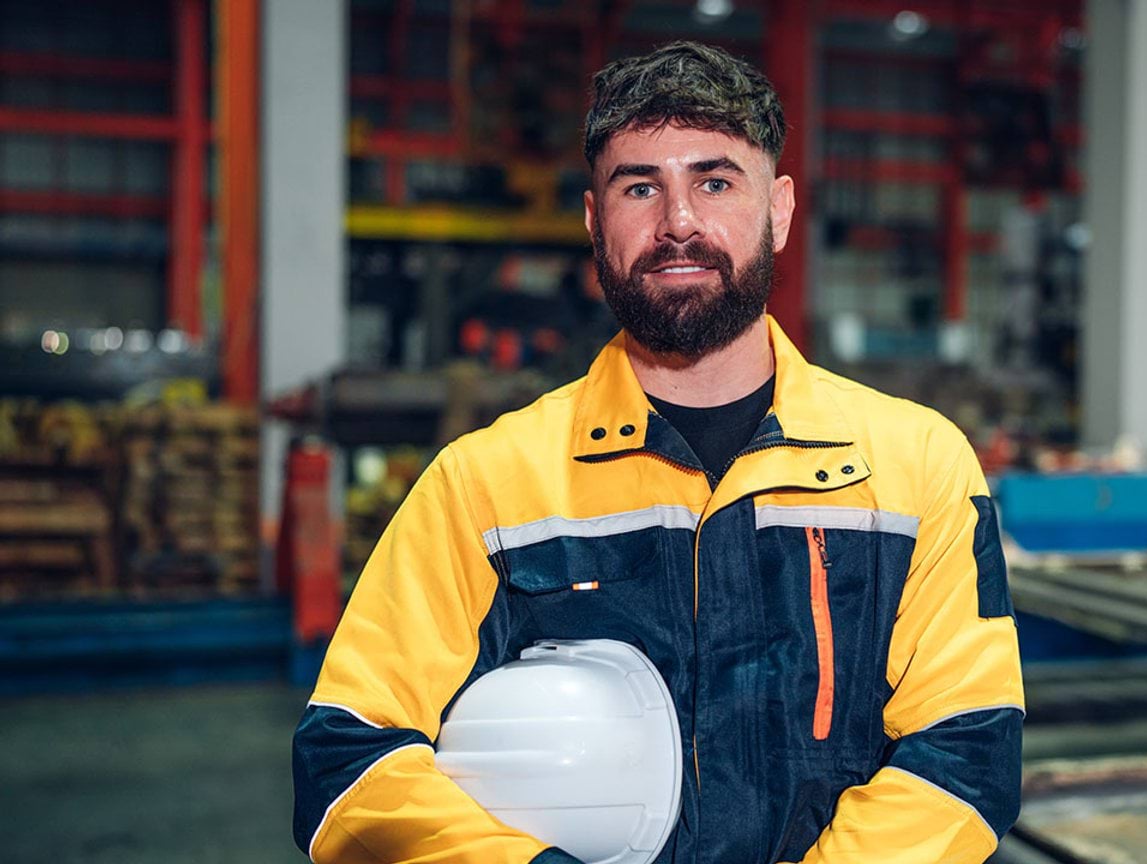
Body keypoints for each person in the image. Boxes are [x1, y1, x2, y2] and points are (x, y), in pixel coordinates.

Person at [292, 40, 1024, 864]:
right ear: (594, 219)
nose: (679, 223)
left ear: (779, 209)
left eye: (714, 181)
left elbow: (968, 751)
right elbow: (348, 760)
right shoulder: (487, 485)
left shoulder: (918, 467)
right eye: (641, 187)